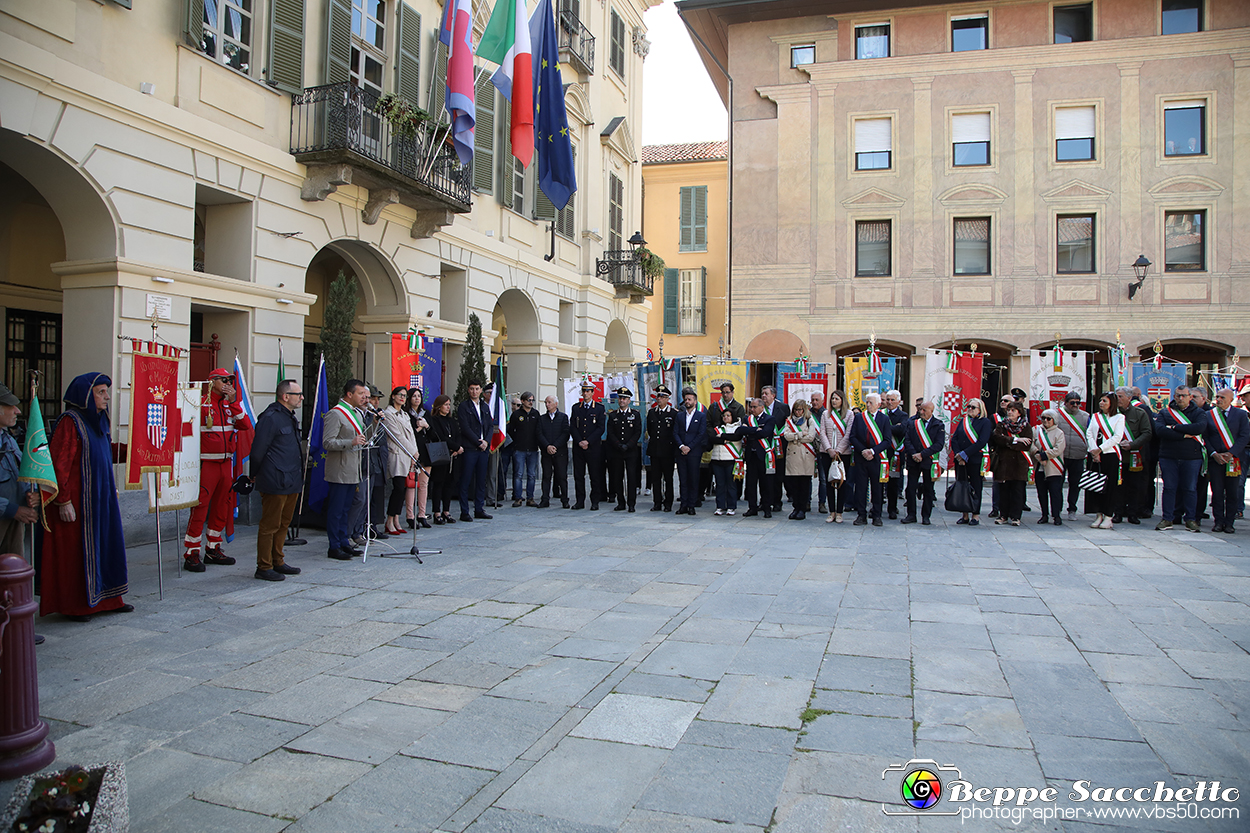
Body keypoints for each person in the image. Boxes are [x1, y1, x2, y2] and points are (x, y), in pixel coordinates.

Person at [38, 373, 132, 621]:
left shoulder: (99, 420)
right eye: (101, 392)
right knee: (78, 554)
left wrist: (133, 448)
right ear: (86, 395)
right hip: (80, 502)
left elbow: (106, 450)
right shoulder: (71, 421)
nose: (107, 397)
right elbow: (60, 463)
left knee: (107, 546)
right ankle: (78, 606)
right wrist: (63, 500)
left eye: (106, 392)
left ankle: (110, 599)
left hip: (102, 498)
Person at [182, 367, 252, 572]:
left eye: (230, 380)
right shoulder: (200, 404)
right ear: (212, 382)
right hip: (206, 464)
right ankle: (191, 552)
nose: (228, 384)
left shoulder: (230, 406)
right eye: (224, 380)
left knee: (222, 506)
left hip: (226, 464)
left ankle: (213, 547)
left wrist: (234, 402)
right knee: (201, 507)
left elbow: (246, 426)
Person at [249, 379, 305, 581]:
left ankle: (277, 560)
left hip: (291, 479)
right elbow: (257, 451)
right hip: (275, 479)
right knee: (270, 524)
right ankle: (264, 566)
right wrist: (253, 474)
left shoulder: (289, 417)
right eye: (298, 394)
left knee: (283, 523)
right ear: (285, 396)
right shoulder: (271, 417)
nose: (301, 398)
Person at [323, 379, 371, 559]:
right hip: (340, 470)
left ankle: (344, 541)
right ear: (349, 394)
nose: (364, 398)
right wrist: (350, 442)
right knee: (336, 510)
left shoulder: (357, 414)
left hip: (353, 470)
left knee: (346, 509)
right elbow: (327, 442)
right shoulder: (336, 414)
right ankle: (334, 545)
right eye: (360, 394)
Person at [1154, 385, 1204, 532]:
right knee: (1169, 488)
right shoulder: (1165, 412)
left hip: (1191, 457)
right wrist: (1182, 435)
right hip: (1168, 456)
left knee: (1190, 489)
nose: (1180, 398)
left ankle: (1190, 519)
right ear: (1174, 397)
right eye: (1178, 395)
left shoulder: (1199, 413)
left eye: (1184, 395)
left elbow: (1199, 428)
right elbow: (1160, 430)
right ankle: (1167, 518)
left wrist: (1174, 427)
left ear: (1190, 397)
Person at [1203, 387, 1249, 534]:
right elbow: (1206, 437)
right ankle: (1218, 522)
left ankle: (1229, 522)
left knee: (1233, 492)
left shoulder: (1241, 415)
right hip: (1215, 459)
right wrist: (1214, 453)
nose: (1219, 399)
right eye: (1217, 397)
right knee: (1216, 492)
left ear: (1230, 399)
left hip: (1234, 459)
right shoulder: (1209, 415)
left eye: (1223, 397)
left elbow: (1244, 436)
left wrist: (1231, 453)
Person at [0, 383, 38, 555]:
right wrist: (11, 509)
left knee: (14, 576)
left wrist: (34, 494)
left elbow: (22, 472)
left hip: (13, 520)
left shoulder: (7, 439)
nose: (18, 411)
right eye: (10, 406)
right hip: (9, 513)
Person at [348, 384, 387, 546]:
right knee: (359, 499)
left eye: (375, 399)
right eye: (370, 398)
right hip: (359, 463)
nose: (373, 401)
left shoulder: (372, 414)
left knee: (366, 500)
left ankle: (359, 532)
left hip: (372, 462)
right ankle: (349, 533)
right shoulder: (356, 414)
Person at [849, 392, 892, 526]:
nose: (868, 405)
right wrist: (863, 450)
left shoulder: (884, 419)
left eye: (871, 402)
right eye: (866, 402)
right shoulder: (859, 418)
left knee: (877, 488)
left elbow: (887, 440)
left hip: (877, 458)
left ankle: (877, 515)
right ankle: (861, 515)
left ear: (879, 405)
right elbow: (853, 437)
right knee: (861, 488)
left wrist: (873, 451)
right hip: (862, 458)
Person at [381, 386, 419, 537]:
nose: (402, 398)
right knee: (397, 488)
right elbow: (397, 436)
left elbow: (411, 436)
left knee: (403, 489)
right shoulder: (388, 413)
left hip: (408, 454)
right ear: (393, 396)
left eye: (404, 395)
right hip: (397, 453)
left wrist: (415, 453)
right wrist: (413, 451)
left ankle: (396, 519)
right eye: (400, 395)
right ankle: (389, 519)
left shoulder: (405, 414)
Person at [1086, 391, 1126, 530]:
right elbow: (1089, 433)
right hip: (1095, 455)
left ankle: (1108, 516)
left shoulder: (1119, 418)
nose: (1101, 403)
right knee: (1096, 485)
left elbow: (1117, 437)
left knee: (1109, 487)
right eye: (1101, 400)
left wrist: (1100, 449)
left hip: (1110, 455)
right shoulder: (1096, 416)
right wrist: (1093, 450)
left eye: (1105, 401)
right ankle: (1098, 514)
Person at [901, 400, 945, 525]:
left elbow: (938, 444)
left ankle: (926, 516)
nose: (921, 412)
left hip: (928, 461)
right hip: (913, 460)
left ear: (931, 411)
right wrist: (914, 453)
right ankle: (911, 514)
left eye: (924, 410)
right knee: (910, 488)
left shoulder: (938, 424)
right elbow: (907, 440)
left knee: (928, 489)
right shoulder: (913, 423)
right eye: (920, 409)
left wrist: (922, 454)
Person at [950, 398, 993, 526]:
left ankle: (975, 514)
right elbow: (955, 438)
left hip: (974, 459)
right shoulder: (964, 421)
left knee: (975, 487)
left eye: (973, 407)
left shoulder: (985, 422)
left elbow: (982, 441)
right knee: (962, 485)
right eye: (968, 406)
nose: (969, 409)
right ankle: (965, 514)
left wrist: (965, 454)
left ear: (980, 410)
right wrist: (958, 454)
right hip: (961, 460)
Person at [1115, 387, 1153, 524]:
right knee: (1118, 486)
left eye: (1120, 396)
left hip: (1135, 456)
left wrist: (1132, 444)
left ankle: (1133, 513)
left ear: (1129, 398)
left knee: (1135, 486)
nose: (1117, 399)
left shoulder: (1139, 413)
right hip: (1117, 455)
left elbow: (1147, 432)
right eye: (1116, 396)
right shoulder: (1111, 413)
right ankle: (1117, 512)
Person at [457, 380, 495, 522]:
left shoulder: (485, 406)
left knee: (481, 480)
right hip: (470, 448)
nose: (474, 391)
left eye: (477, 389)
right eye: (471, 389)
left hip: (483, 449)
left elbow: (490, 426)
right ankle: (464, 511)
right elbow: (465, 427)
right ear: (468, 390)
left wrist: (486, 441)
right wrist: (477, 442)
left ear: (481, 391)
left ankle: (479, 508)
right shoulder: (464, 406)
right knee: (466, 480)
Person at [991, 402, 1033, 526]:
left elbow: (1027, 444)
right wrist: (1015, 439)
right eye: (1009, 410)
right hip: (1004, 462)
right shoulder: (1001, 425)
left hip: (1019, 463)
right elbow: (997, 438)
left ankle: (1016, 516)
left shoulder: (1026, 426)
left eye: (1013, 410)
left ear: (1019, 412)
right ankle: (1003, 515)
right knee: (1004, 490)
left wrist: (1008, 443)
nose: (1010, 412)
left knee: (1017, 490)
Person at [604, 388, 643, 511]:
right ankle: (621, 502)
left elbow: (637, 432)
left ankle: (631, 503)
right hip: (616, 451)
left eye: (624, 398)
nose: (622, 400)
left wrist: (629, 445)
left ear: (629, 400)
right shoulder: (613, 414)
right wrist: (618, 445)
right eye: (620, 398)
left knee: (631, 477)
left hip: (630, 451)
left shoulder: (635, 414)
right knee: (617, 477)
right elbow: (610, 432)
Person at [425, 394, 461, 524]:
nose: (448, 407)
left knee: (449, 484)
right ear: (439, 406)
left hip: (452, 456)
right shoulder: (434, 420)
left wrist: (457, 448)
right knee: (439, 484)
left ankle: (446, 511)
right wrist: (455, 446)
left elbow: (457, 434)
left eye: (449, 405)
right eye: (445, 405)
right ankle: (437, 512)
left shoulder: (452, 421)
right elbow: (440, 436)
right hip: (441, 455)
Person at [818, 390, 852, 524]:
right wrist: (829, 449)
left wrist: (838, 450)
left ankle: (839, 512)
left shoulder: (849, 415)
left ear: (842, 400)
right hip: (827, 453)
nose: (834, 401)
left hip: (843, 453)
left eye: (837, 399)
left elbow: (849, 434)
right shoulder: (826, 414)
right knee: (829, 481)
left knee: (842, 482)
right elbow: (822, 433)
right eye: (832, 398)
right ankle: (831, 511)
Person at [570, 382, 605, 510]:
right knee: (578, 475)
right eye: (584, 391)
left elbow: (600, 428)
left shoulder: (599, 408)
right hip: (578, 447)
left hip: (593, 447)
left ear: (592, 392)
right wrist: (580, 441)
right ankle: (580, 501)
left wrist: (588, 441)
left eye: (588, 391)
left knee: (594, 475)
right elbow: (573, 426)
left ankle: (595, 501)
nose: (586, 394)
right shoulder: (576, 408)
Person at [781, 399, 818, 520]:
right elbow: (786, 436)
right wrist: (801, 434)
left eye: (800, 410)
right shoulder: (789, 421)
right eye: (796, 410)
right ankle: (795, 507)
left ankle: (802, 508)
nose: (798, 412)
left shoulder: (809, 420)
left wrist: (795, 437)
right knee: (794, 484)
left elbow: (811, 437)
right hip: (793, 455)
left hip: (805, 455)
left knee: (804, 484)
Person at [1054, 392, 1089, 520]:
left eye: (1078, 402)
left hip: (1078, 454)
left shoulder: (1086, 417)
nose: (1075, 405)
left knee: (1075, 484)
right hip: (1061, 455)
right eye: (1072, 402)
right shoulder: (1057, 415)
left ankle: (1072, 508)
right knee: (1058, 483)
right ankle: (1057, 508)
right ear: (1066, 403)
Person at [673, 387, 707, 515]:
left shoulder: (701, 416)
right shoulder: (680, 415)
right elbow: (675, 432)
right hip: (681, 452)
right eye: (686, 399)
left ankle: (692, 505)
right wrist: (682, 446)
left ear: (695, 401)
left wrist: (690, 447)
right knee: (683, 479)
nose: (687, 401)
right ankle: (683, 505)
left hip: (694, 452)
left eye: (690, 399)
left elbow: (701, 434)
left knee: (693, 479)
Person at [1032, 409, 1067, 525]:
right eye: (1043, 418)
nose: (1045, 421)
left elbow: (1058, 449)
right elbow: (1030, 444)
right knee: (1041, 493)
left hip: (1054, 468)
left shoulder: (1059, 433)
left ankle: (1056, 515)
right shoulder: (1036, 430)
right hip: (1039, 467)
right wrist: (1037, 453)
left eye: (1048, 418)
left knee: (1055, 492)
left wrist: (1044, 456)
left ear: (1054, 420)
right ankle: (1044, 515)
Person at [646, 386, 677, 512]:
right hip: (655, 450)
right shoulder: (652, 412)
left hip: (668, 450)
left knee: (668, 478)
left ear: (667, 398)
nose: (659, 399)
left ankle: (668, 502)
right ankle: (657, 502)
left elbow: (674, 432)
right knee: (655, 478)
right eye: (658, 396)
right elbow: (650, 430)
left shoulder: (673, 413)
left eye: (662, 397)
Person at [404, 387, 431, 529]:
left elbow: (434, 434)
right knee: (412, 485)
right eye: (414, 396)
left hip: (426, 452)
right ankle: (410, 516)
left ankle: (422, 514)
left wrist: (427, 425)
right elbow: (407, 435)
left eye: (419, 396)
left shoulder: (426, 413)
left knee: (424, 485)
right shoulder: (405, 415)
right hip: (412, 452)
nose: (416, 399)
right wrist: (419, 429)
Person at [507, 391, 541, 507]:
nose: (531, 402)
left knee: (531, 474)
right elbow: (511, 430)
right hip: (519, 448)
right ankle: (518, 497)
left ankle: (530, 498)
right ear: (523, 401)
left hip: (532, 448)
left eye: (532, 400)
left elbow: (539, 430)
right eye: (529, 400)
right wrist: (517, 440)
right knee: (518, 474)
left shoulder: (536, 414)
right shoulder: (517, 415)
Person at [709, 405, 742, 515]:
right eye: (724, 416)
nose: (726, 417)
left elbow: (736, 437)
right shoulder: (717, 428)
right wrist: (724, 440)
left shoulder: (737, 427)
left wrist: (722, 436)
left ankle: (731, 506)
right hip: (717, 459)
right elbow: (711, 438)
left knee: (731, 484)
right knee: (720, 484)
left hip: (731, 459)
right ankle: (720, 506)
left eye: (728, 415)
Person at [537, 395, 570, 508]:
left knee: (561, 476)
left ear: (556, 404)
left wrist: (555, 446)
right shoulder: (542, 419)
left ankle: (565, 499)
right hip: (546, 453)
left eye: (549, 402)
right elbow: (539, 434)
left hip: (560, 452)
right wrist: (547, 446)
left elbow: (565, 433)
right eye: (546, 402)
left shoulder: (563, 417)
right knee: (546, 476)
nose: (547, 404)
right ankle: (545, 499)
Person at [760, 386, 789, 512]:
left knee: (778, 476)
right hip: (765, 446)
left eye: (766, 394)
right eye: (762, 394)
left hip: (778, 447)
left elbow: (788, 424)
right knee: (764, 476)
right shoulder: (760, 407)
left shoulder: (783, 407)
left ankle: (777, 501)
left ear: (773, 395)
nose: (763, 396)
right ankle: (764, 501)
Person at [883, 390, 908, 520]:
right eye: (888, 399)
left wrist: (885, 427)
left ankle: (892, 508)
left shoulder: (903, 415)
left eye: (892, 400)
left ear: (898, 401)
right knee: (879, 481)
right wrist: (893, 428)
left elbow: (902, 429)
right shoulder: (882, 413)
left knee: (893, 483)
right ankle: (876, 506)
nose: (890, 402)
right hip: (882, 453)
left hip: (895, 455)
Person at [1190, 386, 1213, 520]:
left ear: (1203, 399)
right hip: (1188, 453)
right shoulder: (1186, 412)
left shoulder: (1210, 413)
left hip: (1204, 453)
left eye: (1195, 397)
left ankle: (1198, 511)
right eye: (1190, 396)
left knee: (1201, 484)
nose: (1191, 400)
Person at [810, 392, 829, 513]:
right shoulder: (808, 413)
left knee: (823, 478)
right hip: (809, 448)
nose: (815, 402)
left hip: (823, 449)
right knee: (807, 477)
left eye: (817, 400)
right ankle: (806, 501)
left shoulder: (827, 413)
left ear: (822, 400)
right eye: (813, 400)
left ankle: (822, 503)